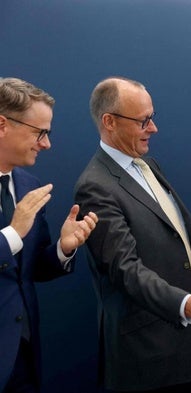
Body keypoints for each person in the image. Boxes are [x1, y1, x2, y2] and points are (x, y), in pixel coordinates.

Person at [73, 76, 191, 393]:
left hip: (186, 350)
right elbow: (125, 270)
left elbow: (186, 237)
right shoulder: (95, 187)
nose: (153, 129)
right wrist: (184, 305)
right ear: (109, 122)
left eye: (152, 117)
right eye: (144, 121)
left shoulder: (149, 165)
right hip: (146, 358)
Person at [0, 77, 98, 393]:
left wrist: (63, 249)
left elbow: (29, 271)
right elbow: (12, 242)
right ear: (2, 125)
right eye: (39, 132)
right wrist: (14, 232)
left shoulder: (29, 185)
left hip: (21, 356)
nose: (46, 144)